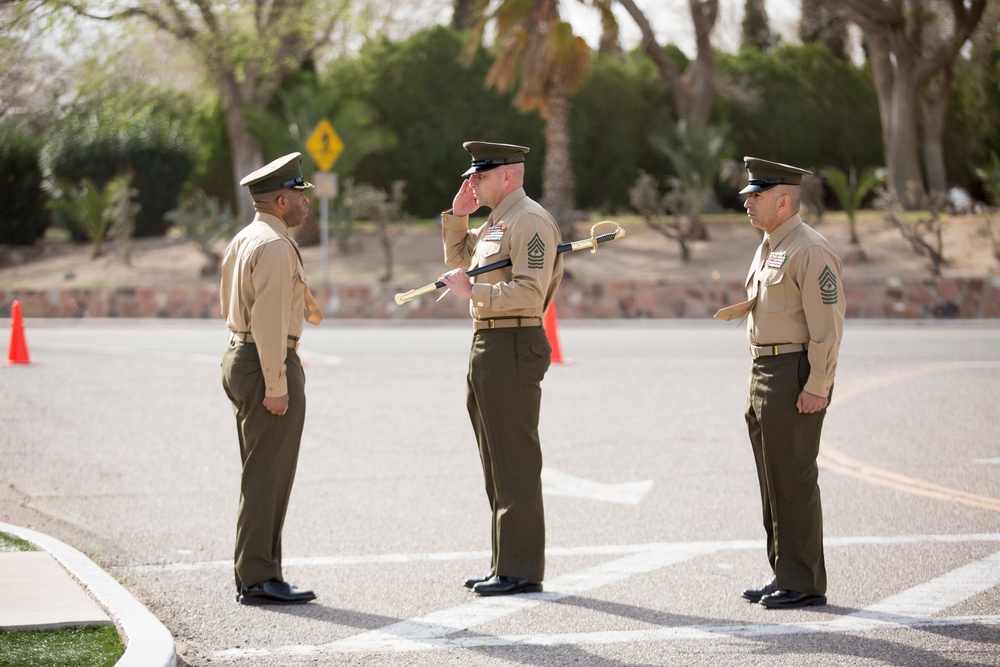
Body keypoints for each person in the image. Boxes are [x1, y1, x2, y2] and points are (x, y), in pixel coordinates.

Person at [715, 157, 845, 609]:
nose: (748, 203)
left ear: (784, 201)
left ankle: (805, 580)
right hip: (765, 371)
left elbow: (827, 326)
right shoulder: (772, 243)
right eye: (748, 196)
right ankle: (783, 572)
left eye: (757, 196)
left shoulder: (810, 249)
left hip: (794, 373)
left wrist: (818, 384)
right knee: (773, 480)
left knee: (793, 478)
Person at [438, 141, 563, 597]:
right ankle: (504, 562)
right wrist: (458, 217)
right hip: (490, 341)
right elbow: (462, 262)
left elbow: (530, 292)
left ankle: (521, 568)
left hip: (512, 340)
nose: (472, 183)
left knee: (515, 460)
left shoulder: (529, 219)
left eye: (481, 176)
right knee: (496, 461)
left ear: (507, 176)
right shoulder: (500, 220)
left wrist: (474, 296)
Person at [220, 152, 324, 605]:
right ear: (282, 200)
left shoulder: (248, 236)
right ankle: (260, 577)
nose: (306, 202)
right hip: (265, 361)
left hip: (242, 356)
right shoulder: (276, 245)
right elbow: (267, 321)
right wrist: (278, 384)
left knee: (260, 471)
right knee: (268, 475)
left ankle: (258, 572)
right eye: (300, 195)